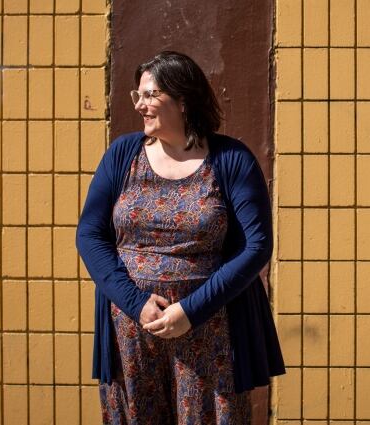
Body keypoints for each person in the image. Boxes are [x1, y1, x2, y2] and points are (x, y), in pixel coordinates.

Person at [76, 51, 285, 424]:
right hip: (132, 329)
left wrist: (190, 311)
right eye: (136, 95)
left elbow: (256, 247)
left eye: (150, 95)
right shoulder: (123, 154)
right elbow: (90, 235)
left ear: (183, 99)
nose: (139, 105)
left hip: (212, 329)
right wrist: (136, 303)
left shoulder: (231, 160)